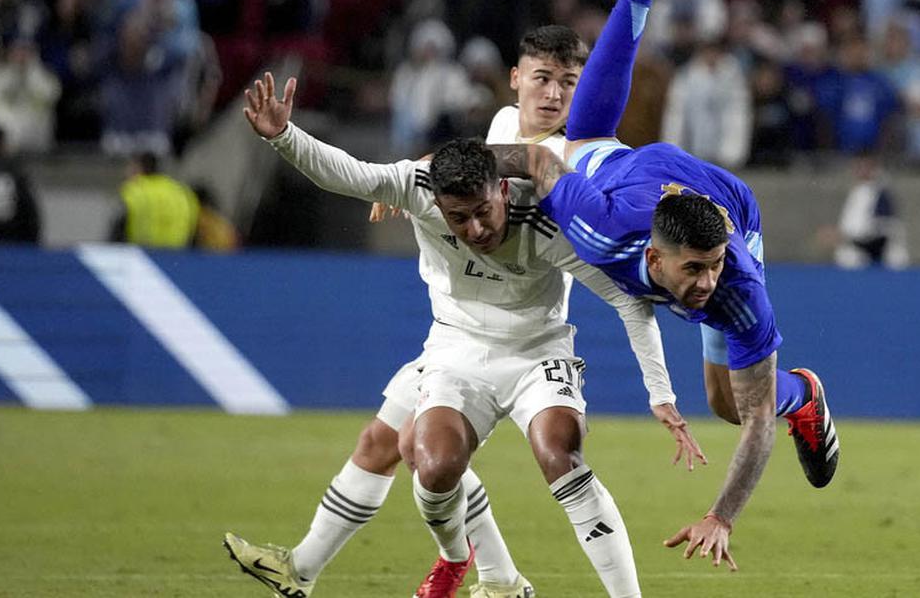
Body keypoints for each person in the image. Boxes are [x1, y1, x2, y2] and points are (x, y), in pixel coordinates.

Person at [226, 83, 701, 596]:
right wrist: (283, 137)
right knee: (430, 465)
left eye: (482, 211)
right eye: (458, 218)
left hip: (537, 352)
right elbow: (351, 175)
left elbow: (628, 299)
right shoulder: (418, 188)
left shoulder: (548, 220)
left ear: (502, 188)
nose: (474, 229)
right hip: (455, 349)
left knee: (558, 450)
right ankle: (480, 570)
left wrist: (661, 392)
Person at [486, 0, 839, 571]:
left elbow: (758, 419)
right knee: (584, 138)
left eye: (711, 269)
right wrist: (427, 169)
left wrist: (720, 515)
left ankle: (808, 393)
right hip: (636, 175)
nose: (705, 284)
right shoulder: (605, 231)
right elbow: (535, 159)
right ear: (652, 256)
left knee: (732, 404)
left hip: (726, 200)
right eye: (693, 272)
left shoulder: (736, 286)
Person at [110, 152, 200, 248]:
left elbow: (118, 228)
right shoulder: (181, 192)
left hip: (142, 256)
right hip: (176, 257)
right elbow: (194, 229)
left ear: (138, 168)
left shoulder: (135, 190)